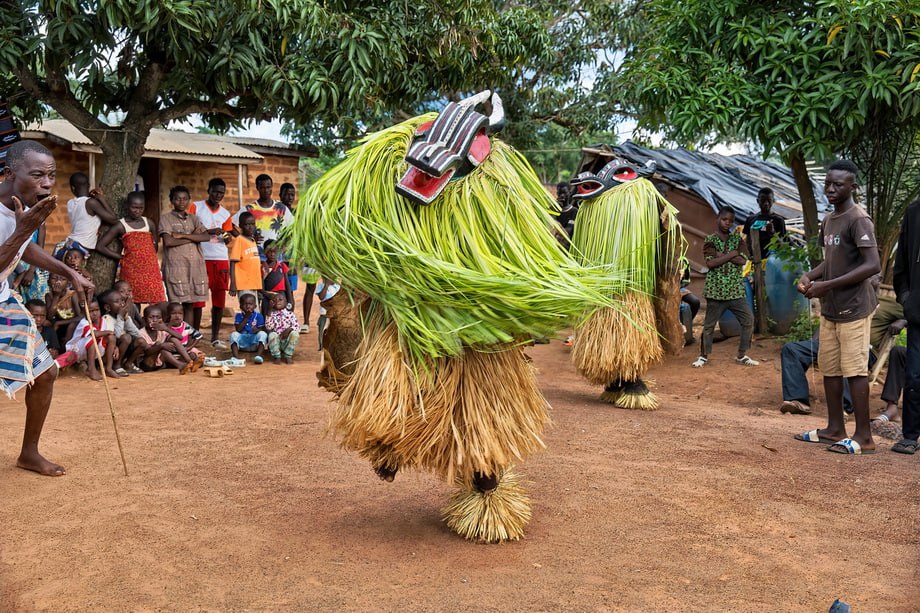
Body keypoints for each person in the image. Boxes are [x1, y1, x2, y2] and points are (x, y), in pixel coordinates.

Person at [0, 140, 94, 475]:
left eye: (51, 176)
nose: (47, 184)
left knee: (45, 373)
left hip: (2, 303)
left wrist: (70, 273)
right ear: (9, 173)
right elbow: (15, 243)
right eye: (38, 174)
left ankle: (29, 453)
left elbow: (23, 249)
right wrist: (23, 230)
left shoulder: (22, 209)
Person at [794, 160, 880, 455]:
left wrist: (827, 285)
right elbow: (829, 261)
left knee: (855, 370)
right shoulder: (829, 219)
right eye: (828, 183)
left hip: (854, 308)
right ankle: (834, 429)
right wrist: (809, 276)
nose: (830, 189)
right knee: (830, 368)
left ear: (852, 187)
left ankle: (864, 437)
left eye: (838, 185)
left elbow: (872, 264)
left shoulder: (859, 219)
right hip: (831, 308)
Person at [692, 206, 759, 368]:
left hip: (735, 290)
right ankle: (703, 356)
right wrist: (732, 254)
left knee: (748, 320)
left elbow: (743, 260)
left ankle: (742, 354)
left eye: (730, 221)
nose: (727, 223)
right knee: (709, 326)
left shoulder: (737, 239)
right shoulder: (710, 240)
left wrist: (721, 256)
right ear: (718, 219)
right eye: (724, 219)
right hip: (716, 291)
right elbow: (710, 263)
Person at [95, 191, 166, 306]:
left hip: (151, 270)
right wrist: (121, 257)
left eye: (141, 208)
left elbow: (154, 246)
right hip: (131, 270)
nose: (137, 211)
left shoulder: (149, 223)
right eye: (134, 207)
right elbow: (100, 246)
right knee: (132, 302)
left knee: (156, 301)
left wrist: (148, 258)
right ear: (127, 206)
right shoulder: (121, 225)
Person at [189, 178, 233, 348]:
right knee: (198, 300)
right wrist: (209, 232)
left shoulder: (225, 214)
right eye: (215, 191)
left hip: (220, 259)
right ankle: (196, 335)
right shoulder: (196, 207)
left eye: (221, 193)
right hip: (201, 257)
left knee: (219, 299)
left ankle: (215, 337)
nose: (218, 195)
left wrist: (226, 237)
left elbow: (228, 237)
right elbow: (189, 229)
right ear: (208, 190)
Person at [159, 185, 209, 327]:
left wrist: (182, 235)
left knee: (189, 304)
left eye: (185, 199)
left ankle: (188, 336)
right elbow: (169, 242)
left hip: (194, 268)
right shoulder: (166, 219)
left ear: (189, 200)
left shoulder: (194, 218)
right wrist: (193, 237)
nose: (181, 202)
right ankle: (174, 335)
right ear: (171, 200)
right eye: (177, 199)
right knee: (175, 305)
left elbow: (205, 236)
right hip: (176, 267)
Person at [892, 198, 920, 454]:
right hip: (918, 313)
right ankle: (910, 436)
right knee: (914, 375)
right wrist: (906, 298)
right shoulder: (914, 211)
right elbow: (900, 263)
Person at [55, 172, 118, 258]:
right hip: (80, 247)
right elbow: (114, 220)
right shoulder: (91, 203)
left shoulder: (70, 203)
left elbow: (82, 202)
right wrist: (102, 199)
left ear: (73, 188)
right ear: (89, 185)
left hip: (71, 242)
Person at [232, 174, 293, 252]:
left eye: (268, 187)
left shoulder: (281, 208)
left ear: (272, 187)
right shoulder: (249, 208)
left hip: (275, 254)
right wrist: (245, 240)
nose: (266, 190)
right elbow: (230, 225)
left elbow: (293, 229)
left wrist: (284, 245)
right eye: (262, 188)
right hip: (255, 253)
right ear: (257, 188)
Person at [125, 304, 192, 373]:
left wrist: (166, 328)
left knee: (173, 339)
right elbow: (146, 352)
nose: (155, 320)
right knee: (160, 345)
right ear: (144, 320)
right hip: (146, 364)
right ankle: (180, 365)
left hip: (159, 362)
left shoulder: (161, 331)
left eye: (158, 317)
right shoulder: (141, 333)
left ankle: (189, 361)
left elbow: (180, 337)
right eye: (151, 317)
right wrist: (160, 346)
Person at [66, 296, 121, 381]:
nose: (95, 313)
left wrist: (115, 346)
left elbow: (107, 336)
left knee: (111, 337)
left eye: (97, 310)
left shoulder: (103, 321)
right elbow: (95, 333)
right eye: (91, 311)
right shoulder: (84, 322)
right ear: (84, 312)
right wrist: (108, 332)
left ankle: (108, 368)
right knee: (92, 338)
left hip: (95, 350)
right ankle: (91, 369)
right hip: (78, 351)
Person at [25, 299, 76, 369]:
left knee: (71, 355)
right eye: (35, 316)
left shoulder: (50, 331)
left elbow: (56, 351)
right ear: (26, 313)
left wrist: (53, 353)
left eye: (42, 316)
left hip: (46, 364)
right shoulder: (22, 332)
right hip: (28, 364)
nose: (39, 319)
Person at [742, 187, 787, 260]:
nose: (766, 203)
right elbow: (748, 240)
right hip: (754, 260)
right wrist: (748, 254)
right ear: (758, 201)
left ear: (773, 201)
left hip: (771, 261)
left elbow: (782, 245)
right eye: (763, 200)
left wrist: (773, 233)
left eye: (769, 200)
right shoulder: (750, 219)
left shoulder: (778, 220)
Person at [228, 211, 262, 307]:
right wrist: (233, 283)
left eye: (253, 224)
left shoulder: (253, 241)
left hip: (254, 284)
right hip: (244, 284)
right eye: (247, 225)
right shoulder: (239, 240)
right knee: (248, 309)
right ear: (240, 226)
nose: (251, 227)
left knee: (254, 310)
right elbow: (233, 262)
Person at [229, 293, 267, 365]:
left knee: (263, 334)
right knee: (233, 334)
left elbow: (262, 329)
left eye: (250, 304)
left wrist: (257, 330)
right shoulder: (239, 316)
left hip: (254, 343)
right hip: (242, 343)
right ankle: (236, 357)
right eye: (245, 304)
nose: (248, 306)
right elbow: (238, 329)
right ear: (240, 306)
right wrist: (246, 317)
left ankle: (258, 356)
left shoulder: (258, 316)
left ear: (255, 306)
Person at [45, 271, 80, 347]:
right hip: (58, 324)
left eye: (62, 279)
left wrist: (60, 323)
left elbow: (80, 317)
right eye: (54, 278)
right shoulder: (49, 296)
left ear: (68, 284)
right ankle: (53, 348)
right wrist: (56, 296)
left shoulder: (72, 295)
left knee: (71, 326)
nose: (58, 282)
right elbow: (49, 316)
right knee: (47, 324)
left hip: (72, 322)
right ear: (48, 283)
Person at [166, 301, 205, 368]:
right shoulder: (165, 327)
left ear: (183, 315)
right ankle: (185, 364)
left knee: (193, 355)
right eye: (173, 313)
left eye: (180, 313)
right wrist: (169, 325)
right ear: (168, 315)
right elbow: (163, 337)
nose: (177, 316)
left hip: (185, 352)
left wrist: (190, 347)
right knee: (168, 358)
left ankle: (192, 364)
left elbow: (198, 336)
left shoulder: (185, 326)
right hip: (171, 352)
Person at [265, 292, 300, 364]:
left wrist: (289, 329)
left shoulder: (290, 314)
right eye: (275, 300)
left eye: (280, 299)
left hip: (287, 341)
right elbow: (268, 327)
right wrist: (269, 310)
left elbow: (297, 327)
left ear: (286, 303)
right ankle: (277, 356)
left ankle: (288, 355)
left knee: (295, 334)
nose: (277, 301)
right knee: (272, 335)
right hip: (277, 341)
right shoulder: (272, 315)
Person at [261, 239, 292, 317]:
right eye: (270, 252)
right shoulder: (263, 268)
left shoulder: (282, 266)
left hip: (282, 297)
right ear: (264, 252)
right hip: (268, 298)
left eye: (275, 251)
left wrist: (290, 300)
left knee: (283, 318)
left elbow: (287, 285)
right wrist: (271, 295)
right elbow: (261, 288)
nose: (272, 254)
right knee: (268, 317)